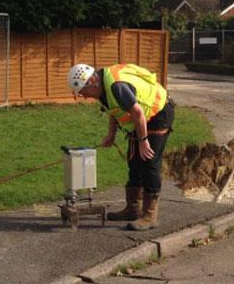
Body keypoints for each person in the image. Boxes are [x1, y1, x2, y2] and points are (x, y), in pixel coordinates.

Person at [68, 63, 174, 231]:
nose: (85, 97)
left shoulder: (116, 86)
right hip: (140, 119)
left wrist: (143, 140)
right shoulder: (103, 88)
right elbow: (115, 110)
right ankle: (133, 209)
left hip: (158, 114)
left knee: (149, 162)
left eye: (84, 92)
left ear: (92, 80)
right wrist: (111, 135)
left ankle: (150, 216)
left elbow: (137, 112)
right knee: (134, 162)